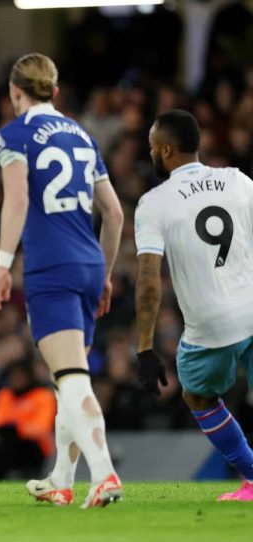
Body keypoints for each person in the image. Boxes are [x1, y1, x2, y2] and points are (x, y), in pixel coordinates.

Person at [0, 53, 124, 508]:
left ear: (15, 93)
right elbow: (115, 213)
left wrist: (3, 264)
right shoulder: (83, 135)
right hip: (88, 263)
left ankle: (104, 475)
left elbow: (18, 200)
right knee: (68, 377)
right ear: (56, 91)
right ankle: (62, 480)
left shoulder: (13, 135)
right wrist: (104, 273)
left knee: (71, 378)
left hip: (51, 266)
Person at [135, 109, 253, 502]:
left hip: (210, 324)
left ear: (166, 149)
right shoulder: (237, 180)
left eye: (152, 148)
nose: (150, 154)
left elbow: (150, 282)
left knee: (198, 396)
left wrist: (144, 347)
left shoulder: (154, 203)